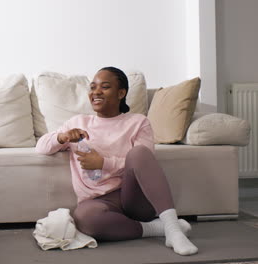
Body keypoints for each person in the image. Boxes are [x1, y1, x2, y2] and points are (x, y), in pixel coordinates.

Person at [35, 67, 198, 256]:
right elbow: (41, 147)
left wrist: (104, 163)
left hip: (133, 196)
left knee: (138, 153)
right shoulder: (77, 122)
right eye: (93, 87)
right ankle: (158, 229)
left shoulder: (138, 122)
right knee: (85, 219)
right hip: (98, 201)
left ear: (121, 93)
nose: (96, 92)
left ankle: (174, 230)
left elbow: (145, 161)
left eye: (104, 87)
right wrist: (62, 137)